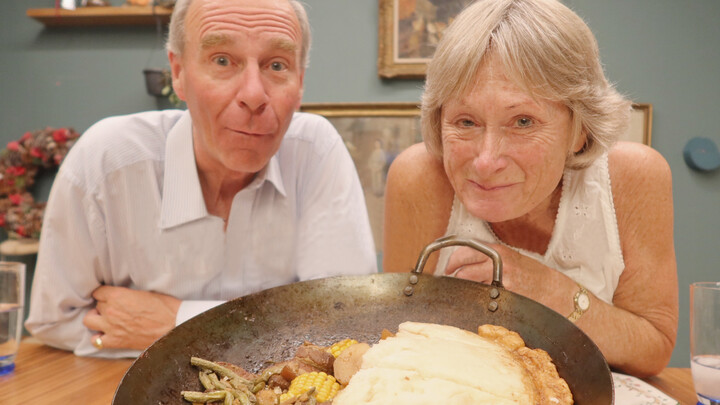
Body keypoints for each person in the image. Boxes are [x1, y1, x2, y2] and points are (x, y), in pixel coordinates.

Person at [25, 0, 377, 358]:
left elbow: (343, 323)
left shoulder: (315, 151)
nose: (254, 95)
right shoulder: (108, 163)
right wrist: (256, 331)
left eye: (276, 65)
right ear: (178, 73)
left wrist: (176, 323)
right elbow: (56, 321)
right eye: (222, 60)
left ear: (300, 83)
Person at [383, 0, 677, 378]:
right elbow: (397, 335)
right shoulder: (417, 177)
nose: (486, 161)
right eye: (466, 121)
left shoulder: (635, 176)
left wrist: (547, 289)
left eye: (522, 121)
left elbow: (653, 347)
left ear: (579, 127)